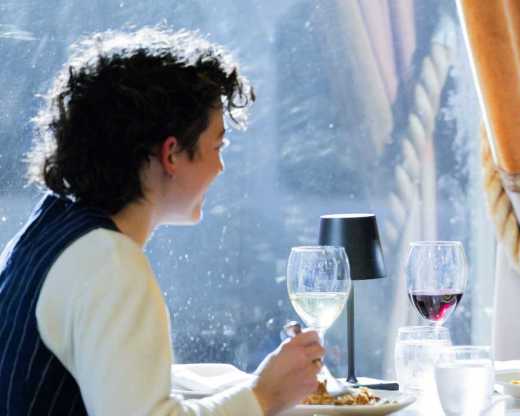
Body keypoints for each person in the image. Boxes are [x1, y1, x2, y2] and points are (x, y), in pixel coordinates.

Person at [0, 27, 324, 415]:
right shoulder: (111, 264)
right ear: (171, 154)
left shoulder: (48, 231)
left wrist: (236, 384)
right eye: (217, 146)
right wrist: (262, 396)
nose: (220, 167)